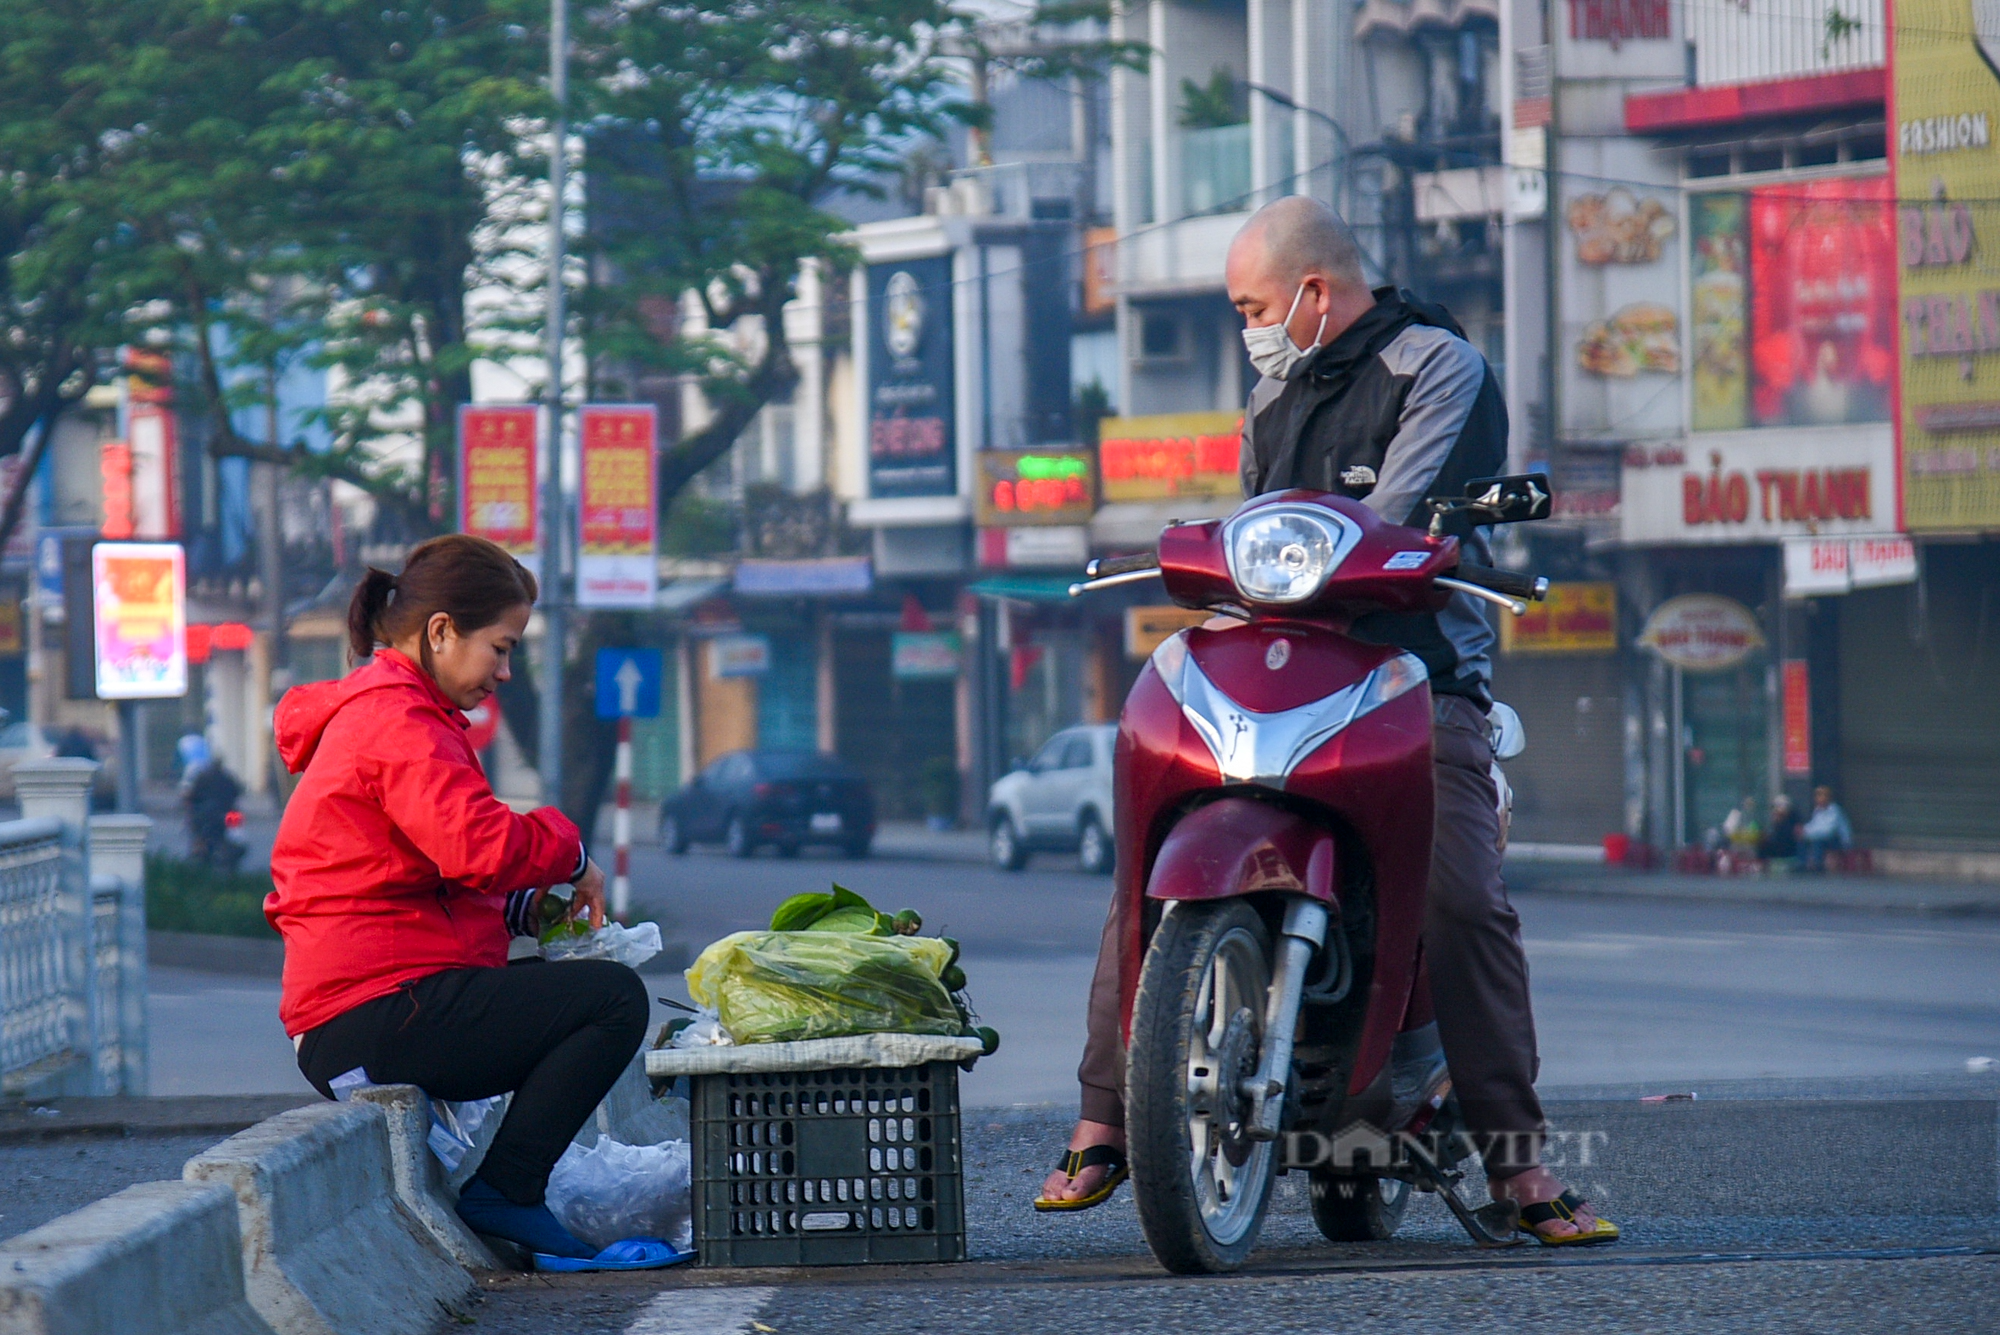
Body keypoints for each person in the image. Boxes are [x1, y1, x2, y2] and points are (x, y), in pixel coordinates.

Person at [1035, 197, 1617, 1246]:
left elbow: (1393, 519)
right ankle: (1104, 1116)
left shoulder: (1438, 366)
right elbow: (1258, 524)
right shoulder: (1270, 391)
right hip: (1289, 665)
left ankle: (1520, 1165)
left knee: (1462, 904)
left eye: (1253, 305)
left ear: (1310, 292)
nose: (1247, 327)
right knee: (1143, 866)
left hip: (1414, 671)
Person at [265, 534, 675, 1271]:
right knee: (611, 1000)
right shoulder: (397, 719)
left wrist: (518, 912)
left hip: (371, 1009)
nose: (505, 671)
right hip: (371, 1014)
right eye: (501, 647)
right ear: (442, 631)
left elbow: (417, 869)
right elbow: (475, 845)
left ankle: (509, 1188)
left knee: (584, 994)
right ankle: (507, 1190)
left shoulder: (391, 710)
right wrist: (569, 850)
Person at [1800, 786, 1853, 872]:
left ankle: (1818, 864)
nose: (1818, 799)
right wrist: (1804, 830)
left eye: (1821, 796)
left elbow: (1828, 831)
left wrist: (1810, 835)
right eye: (1817, 796)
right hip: (1822, 837)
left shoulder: (1835, 811)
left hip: (1838, 840)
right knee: (1801, 839)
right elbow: (1814, 825)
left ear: (1827, 797)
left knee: (1818, 840)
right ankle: (1802, 863)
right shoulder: (1818, 810)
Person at [1760, 795, 1800, 864]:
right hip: (1778, 845)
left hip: (1788, 848)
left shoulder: (1793, 818)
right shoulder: (1778, 820)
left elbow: (1787, 835)